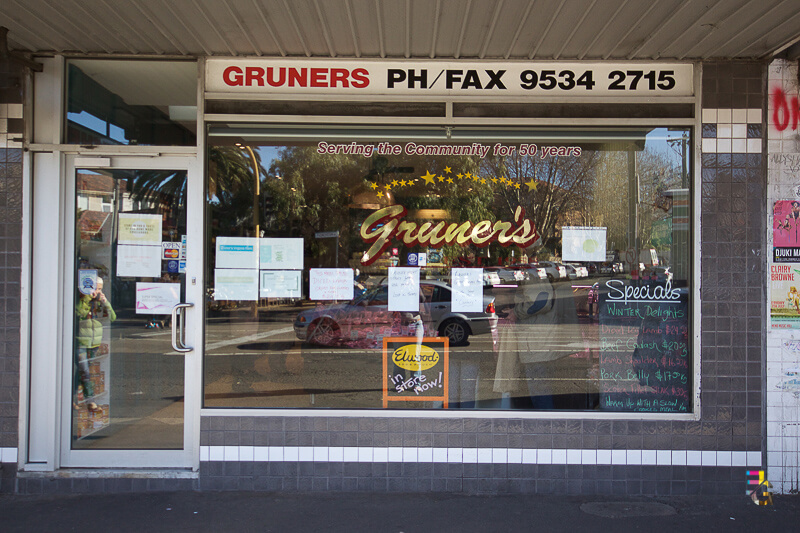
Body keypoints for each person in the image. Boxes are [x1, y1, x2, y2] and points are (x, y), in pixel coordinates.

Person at [75, 277, 116, 411]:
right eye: (95, 288)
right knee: (85, 372)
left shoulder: (100, 302)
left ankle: (73, 397)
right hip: (81, 341)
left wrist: (105, 303)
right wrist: (87, 299)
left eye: (99, 289)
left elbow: (112, 317)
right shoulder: (80, 300)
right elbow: (78, 313)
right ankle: (90, 402)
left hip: (94, 343)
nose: (97, 291)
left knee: (81, 373)